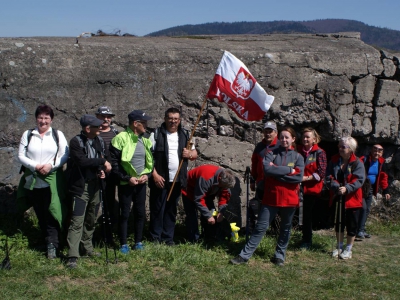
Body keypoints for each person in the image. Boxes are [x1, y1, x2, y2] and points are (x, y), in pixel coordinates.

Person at [230, 126, 304, 266]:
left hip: (289, 199)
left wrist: (277, 173)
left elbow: (298, 177)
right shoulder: (271, 153)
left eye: (287, 137)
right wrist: (289, 170)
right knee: (260, 227)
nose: (283, 140)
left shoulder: (298, 157)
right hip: (271, 198)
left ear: (293, 139)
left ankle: (279, 256)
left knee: (285, 229)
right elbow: (267, 170)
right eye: (281, 137)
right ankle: (244, 255)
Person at [17, 105, 69, 259]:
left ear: (51, 119)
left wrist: (50, 166)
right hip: (33, 180)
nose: (43, 121)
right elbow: (21, 155)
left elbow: (64, 155)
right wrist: (36, 166)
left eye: (46, 117)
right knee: (40, 212)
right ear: (36, 118)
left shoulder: (57, 135)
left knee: (53, 211)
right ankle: (47, 240)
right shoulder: (28, 135)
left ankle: (53, 245)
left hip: (52, 180)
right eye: (40, 117)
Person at [66, 114, 112, 268]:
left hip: (96, 186)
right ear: (87, 128)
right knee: (77, 221)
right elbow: (82, 161)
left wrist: (103, 170)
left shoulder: (99, 140)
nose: (101, 127)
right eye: (96, 125)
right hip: (81, 187)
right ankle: (73, 255)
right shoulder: (75, 142)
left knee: (91, 218)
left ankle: (88, 248)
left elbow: (102, 158)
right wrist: (102, 162)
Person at [149, 107, 197, 245]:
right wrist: (155, 175)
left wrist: (190, 154)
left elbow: (195, 154)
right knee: (158, 209)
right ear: (165, 119)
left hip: (177, 180)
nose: (173, 121)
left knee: (171, 210)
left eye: (176, 119)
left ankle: (168, 238)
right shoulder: (156, 134)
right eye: (170, 118)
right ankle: (155, 238)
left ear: (179, 120)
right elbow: (148, 157)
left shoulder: (186, 134)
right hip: (160, 179)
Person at [110, 110, 154, 253]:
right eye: (144, 123)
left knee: (140, 212)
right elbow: (114, 164)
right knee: (125, 213)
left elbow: (151, 162)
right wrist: (127, 178)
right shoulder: (120, 138)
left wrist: (147, 175)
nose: (146, 125)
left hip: (141, 183)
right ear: (136, 124)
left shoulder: (146, 139)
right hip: (126, 184)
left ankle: (138, 242)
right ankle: (123, 244)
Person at [326, 136, 365, 260]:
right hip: (338, 196)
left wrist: (347, 188)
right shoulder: (334, 160)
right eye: (339, 146)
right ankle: (339, 246)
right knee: (339, 222)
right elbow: (328, 176)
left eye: (343, 146)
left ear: (351, 149)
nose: (340, 148)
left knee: (351, 224)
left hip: (352, 198)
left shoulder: (358, 162)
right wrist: (336, 186)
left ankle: (348, 249)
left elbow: (359, 179)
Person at [181, 165, 236, 243]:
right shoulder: (206, 177)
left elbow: (224, 197)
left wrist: (221, 212)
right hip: (189, 191)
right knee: (192, 216)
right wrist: (208, 216)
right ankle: (193, 240)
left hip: (207, 194)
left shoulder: (225, 182)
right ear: (219, 179)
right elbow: (199, 199)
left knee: (212, 214)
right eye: (223, 186)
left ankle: (209, 237)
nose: (224, 188)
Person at [298, 128, 327, 250]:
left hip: (312, 190)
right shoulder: (298, 151)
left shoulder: (320, 153)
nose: (305, 139)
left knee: (307, 215)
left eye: (308, 137)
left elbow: (321, 173)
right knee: (298, 214)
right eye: (304, 136)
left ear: (314, 139)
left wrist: (305, 178)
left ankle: (307, 240)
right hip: (298, 188)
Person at [248, 121, 280, 232]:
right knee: (261, 205)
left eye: (270, 131)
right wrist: (253, 180)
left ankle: (276, 230)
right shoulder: (259, 146)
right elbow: (254, 163)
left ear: (276, 132)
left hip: (276, 183)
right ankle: (261, 229)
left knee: (276, 206)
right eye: (266, 131)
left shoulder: (280, 145)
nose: (268, 134)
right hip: (261, 182)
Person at [357, 145, 390, 239]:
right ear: (371, 151)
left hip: (371, 188)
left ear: (382, 153)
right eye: (375, 150)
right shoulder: (363, 160)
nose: (377, 153)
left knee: (367, 209)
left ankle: (361, 229)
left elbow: (383, 177)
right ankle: (358, 230)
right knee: (362, 208)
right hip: (360, 187)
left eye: (379, 151)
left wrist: (385, 191)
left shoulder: (381, 162)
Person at [95, 106, 119, 226]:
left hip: (113, 173)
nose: (106, 119)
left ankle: (110, 227)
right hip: (96, 173)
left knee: (110, 200)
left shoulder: (116, 133)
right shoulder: (93, 132)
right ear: (97, 117)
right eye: (103, 116)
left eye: (108, 117)